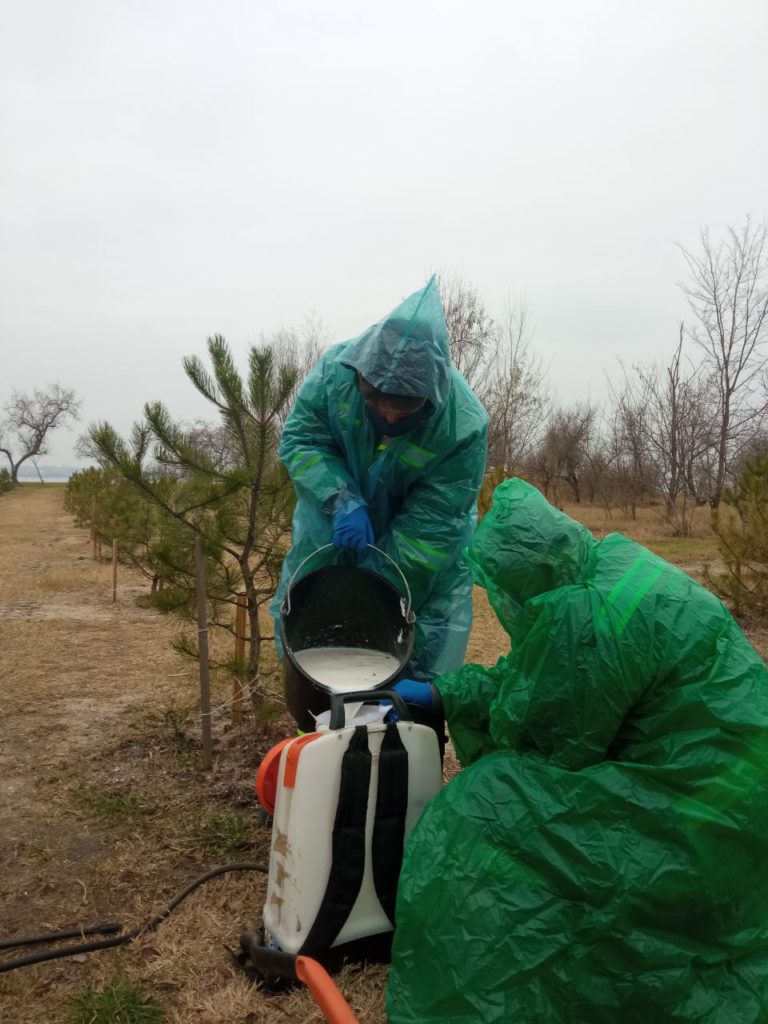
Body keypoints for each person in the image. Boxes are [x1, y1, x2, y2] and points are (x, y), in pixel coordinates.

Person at [385, 478, 768, 1024]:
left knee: (487, 802)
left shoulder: (584, 618)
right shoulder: (615, 561)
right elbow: (544, 678)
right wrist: (449, 691)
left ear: (528, 582)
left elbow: (542, 741)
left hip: (699, 817)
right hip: (744, 798)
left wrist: (453, 702)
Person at [271, 276, 488, 685]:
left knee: (410, 691)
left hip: (420, 576)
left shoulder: (462, 427)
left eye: (402, 411)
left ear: (431, 398)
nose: (387, 417)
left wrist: (369, 601)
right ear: (360, 378)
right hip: (328, 538)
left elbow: (433, 528)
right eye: (375, 400)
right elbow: (302, 439)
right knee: (310, 672)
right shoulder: (333, 377)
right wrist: (338, 497)